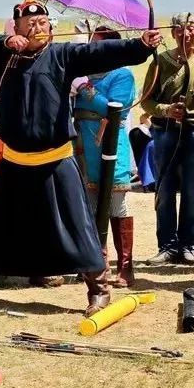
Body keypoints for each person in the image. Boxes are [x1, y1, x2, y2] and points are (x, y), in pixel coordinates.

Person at [0, 0, 161, 316]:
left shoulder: (64, 55)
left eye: (43, 23)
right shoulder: (3, 57)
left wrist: (140, 45)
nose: (38, 27)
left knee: (78, 224)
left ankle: (99, 289)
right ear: (17, 29)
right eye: (30, 23)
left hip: (55, 159)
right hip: (14, 160)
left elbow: (102, 53)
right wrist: (6, 43)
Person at [141, 13, 194, 266]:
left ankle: (187, 246)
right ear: (173, 33)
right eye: (179, 29)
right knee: (164, 190)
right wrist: (166, 110)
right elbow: (146, 101)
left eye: (191, 28)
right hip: (165, 131)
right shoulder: (160, 62)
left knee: (192, 191)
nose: (185, 33)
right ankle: (167, 246)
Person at [72, 26, 137, 287]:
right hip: (82, 145)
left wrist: (85, 88)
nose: (92, 50)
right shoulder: (83, 72)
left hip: (110, 144)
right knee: (86, 206)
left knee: (115, 205)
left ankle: (125, 267)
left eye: (97, 45)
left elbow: (113, 109)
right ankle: (94, 264)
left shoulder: (122, 75)